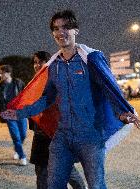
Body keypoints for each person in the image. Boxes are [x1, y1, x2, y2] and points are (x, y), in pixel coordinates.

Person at [1, 10, 140, 189]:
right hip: (63, 136)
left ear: (76, 30)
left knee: (96, 185)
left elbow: (108, 87)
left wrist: (122, 112)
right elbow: (47, 99)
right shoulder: (54, 65)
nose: (61, 32)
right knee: (53, 185)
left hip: (90, 136)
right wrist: (21, 113)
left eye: (66, 27)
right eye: (56, 29)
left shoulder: (91, 59)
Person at [30, 51, 87, 189]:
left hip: (58, 133)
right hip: (41, 134)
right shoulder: (34, 81)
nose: (37, 65)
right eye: (35, 62)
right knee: (42, 171)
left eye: (40, 61)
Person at [0, 65, 28, 165]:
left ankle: (17, 149)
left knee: (23, 135)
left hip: (20, 112)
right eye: (0, 73)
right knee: (16, 136)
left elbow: (26, 94)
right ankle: (22, 156)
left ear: (8, 73)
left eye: (2, 73)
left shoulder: (18, 83)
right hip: (8, 114)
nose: (0, 75)